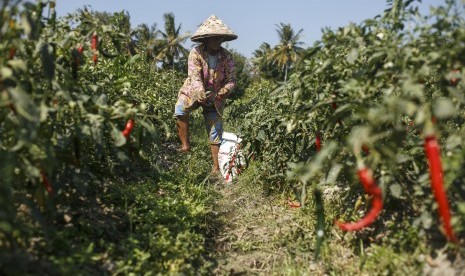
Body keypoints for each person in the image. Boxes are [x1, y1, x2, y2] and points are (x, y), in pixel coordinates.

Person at [174, 15, 237, 174]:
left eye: (220, 38)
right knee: (181, 109)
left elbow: (231, 80)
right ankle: (185, 145)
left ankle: (216, 167)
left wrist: (225, 91)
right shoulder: (196, 53)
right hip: (194, 91)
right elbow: (194, 76)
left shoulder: (226, 56)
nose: (217, 41)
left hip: (216, 96)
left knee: (215, 129)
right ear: (206, 39)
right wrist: (200, 92)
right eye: (214, 38)